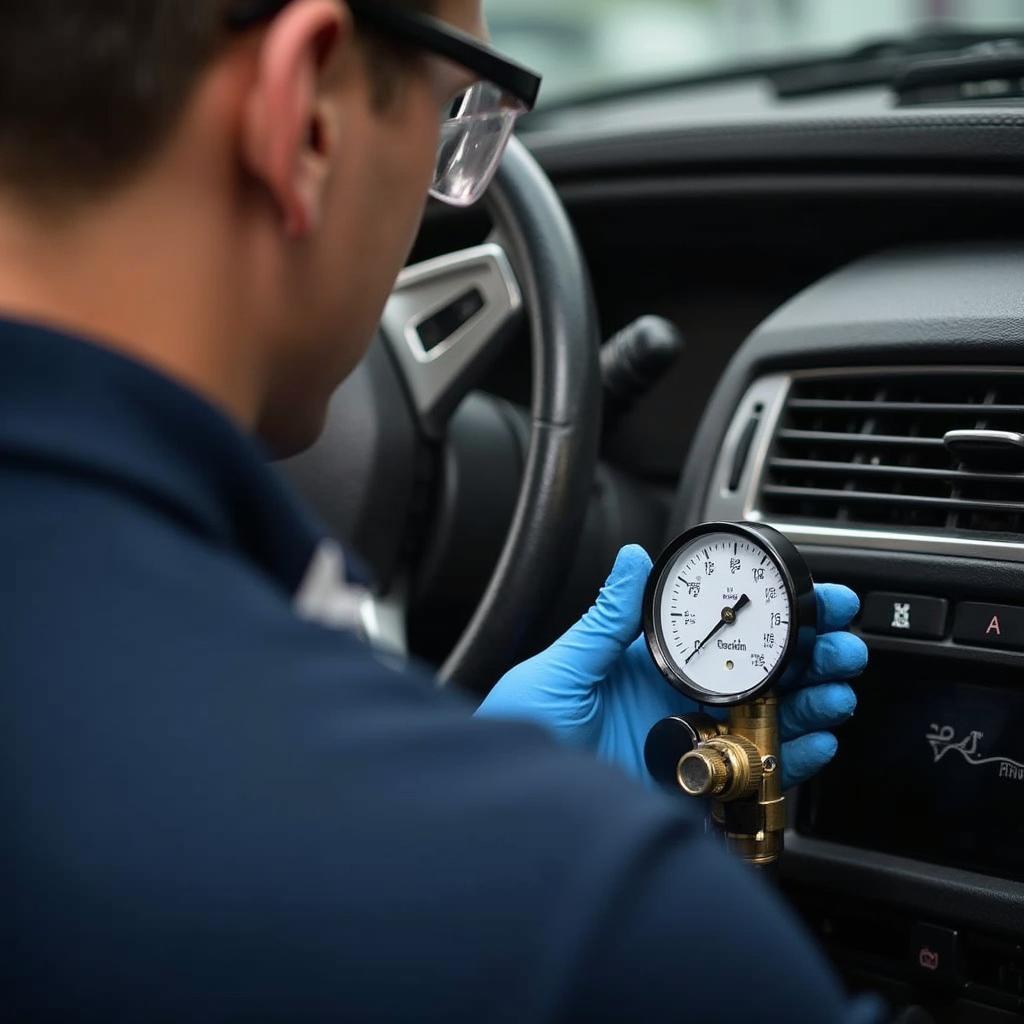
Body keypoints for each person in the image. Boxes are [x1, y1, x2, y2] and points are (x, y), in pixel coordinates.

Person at [0, 2, 882, 1021]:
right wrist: (532, 837)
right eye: (454, 108)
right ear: (309, 116)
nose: (441, 187)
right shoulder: (601, 934)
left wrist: (483, 763)